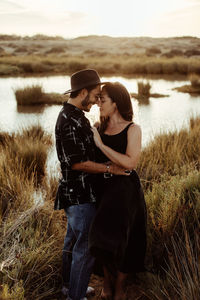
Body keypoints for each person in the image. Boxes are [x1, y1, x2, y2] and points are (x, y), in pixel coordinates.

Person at [54, 70, 128, 300]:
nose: (97, 100)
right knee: (85, 249)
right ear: (83, 92)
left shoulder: (75, 116)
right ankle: (75, 296)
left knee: (73, 241)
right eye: (95, 95)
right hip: (79, 196)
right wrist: (110, 168)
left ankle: (69, 286)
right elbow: (77, 163)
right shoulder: (69, 120)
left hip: (76, 193)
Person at [89, 82, 147, 300]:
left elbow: (130, 163)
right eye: (98, 99)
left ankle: (121, 285)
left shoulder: (133, 129)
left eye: (102, 99)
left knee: (127, 238)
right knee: (102, 237)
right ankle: (106, 281)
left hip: (126, 192)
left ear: (116, 103)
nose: (98, 103)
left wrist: (101, 145)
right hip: (102, 189)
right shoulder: (98, 127)